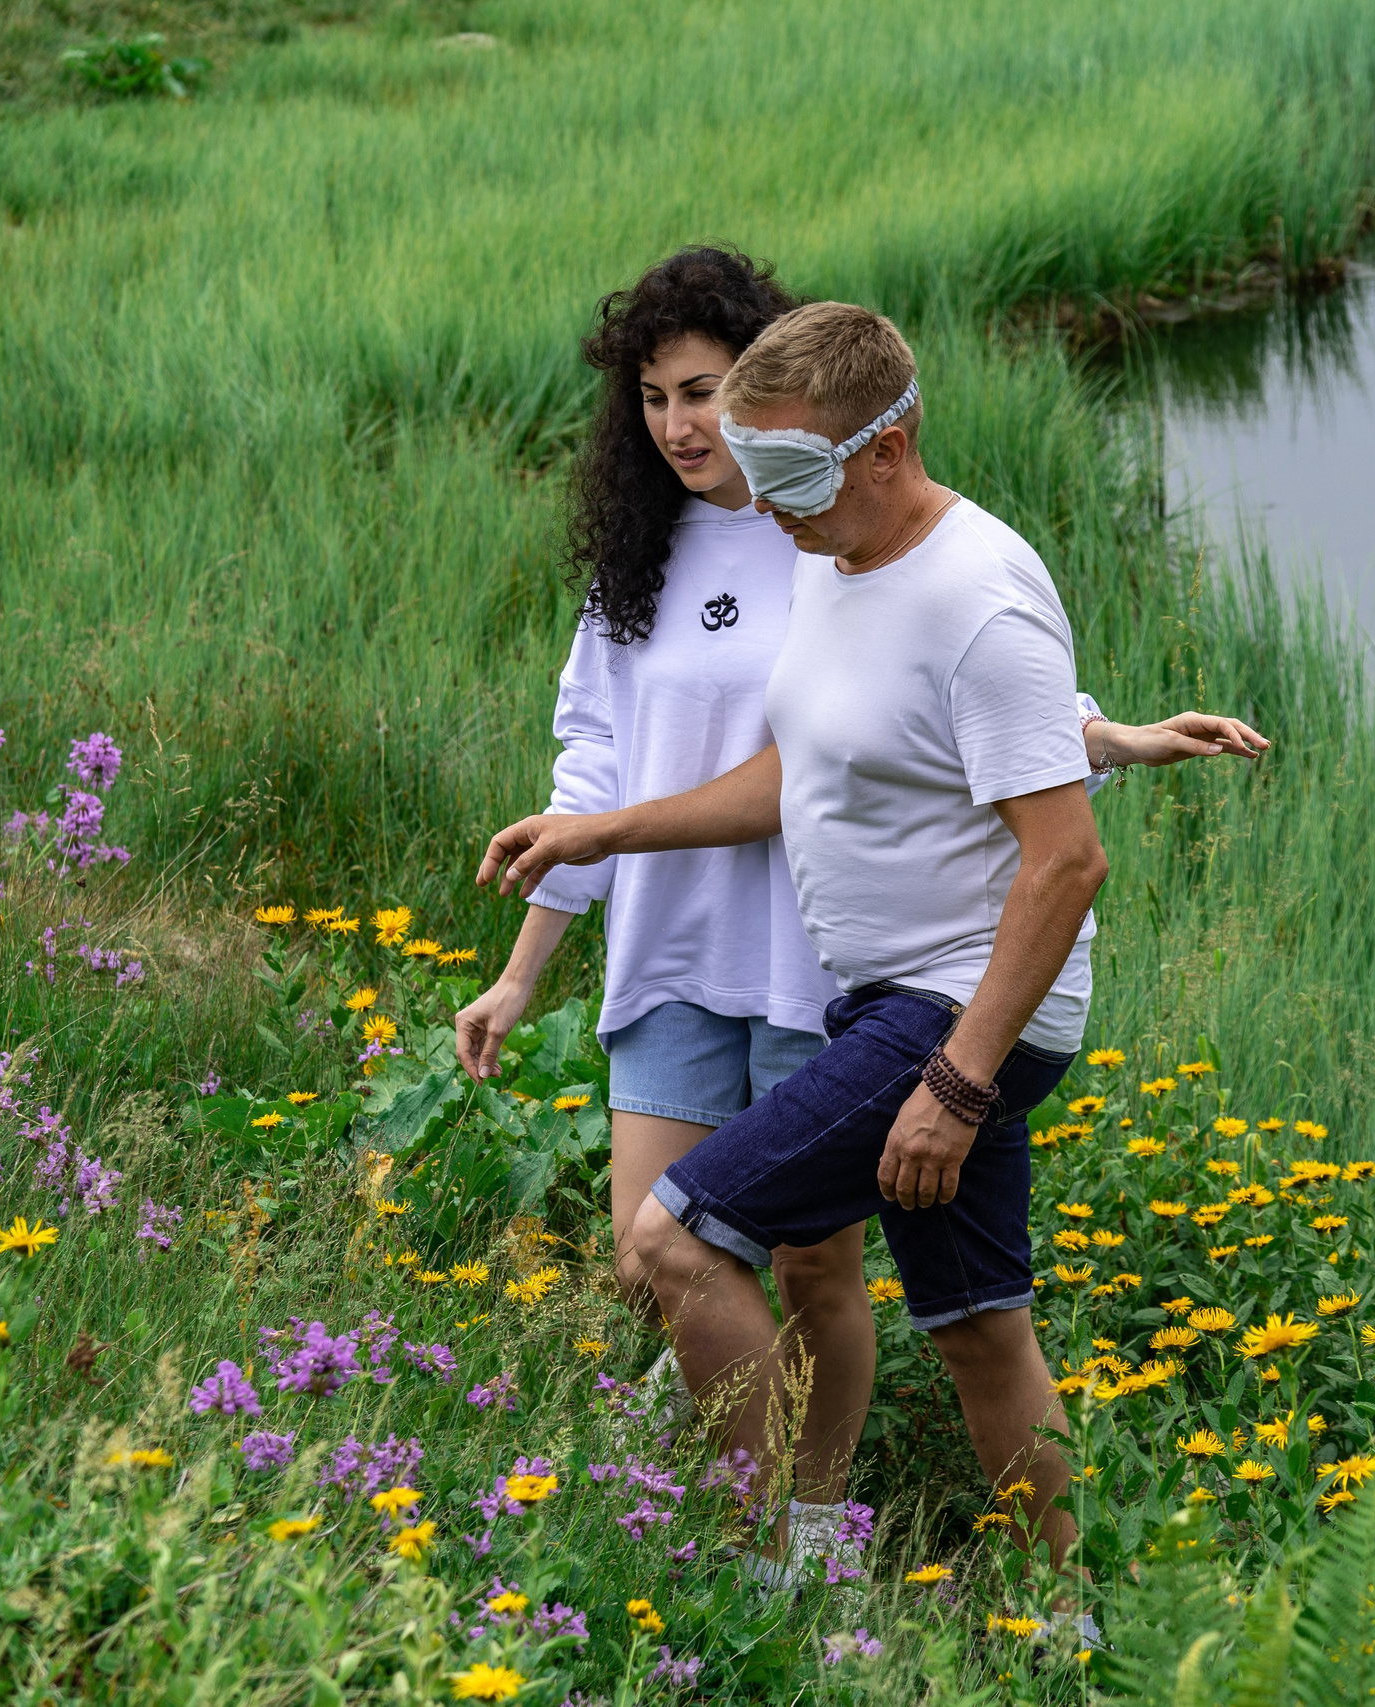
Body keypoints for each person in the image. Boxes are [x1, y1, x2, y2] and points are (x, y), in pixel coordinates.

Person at [454, 252, 1265, 1561]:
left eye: (776, 463)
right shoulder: (829, 557)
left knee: (687, 1244)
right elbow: (818, 750)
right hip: (855, 990)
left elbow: (1054, 841)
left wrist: (957, 1081)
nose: (753, 496)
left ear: (879, 449)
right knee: (979, 1327)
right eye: (739, 458)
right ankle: (1072, 1633)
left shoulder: (960, 583)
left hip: (939, 1006)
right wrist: (580, 866)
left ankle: (772, 1561)